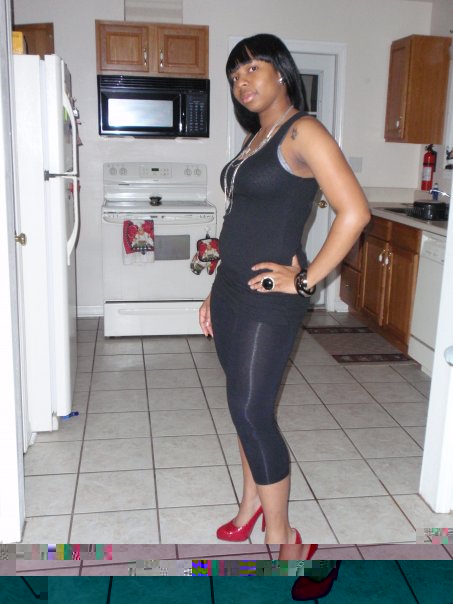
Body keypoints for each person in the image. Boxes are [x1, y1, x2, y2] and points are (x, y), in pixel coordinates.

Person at [199, 33, 370, 548]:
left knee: (253, 411)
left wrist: (303, 280)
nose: (241, 83)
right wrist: (213, 290)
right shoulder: (257, 137)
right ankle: (251, 503)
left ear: (280, 70)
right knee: (242, 405)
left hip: (269, 297)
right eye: (234, 77)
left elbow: (355, 212)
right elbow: (241, 217)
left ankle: (283, 534)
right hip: (231, 287)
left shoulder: (303, 131)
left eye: (251, 68)